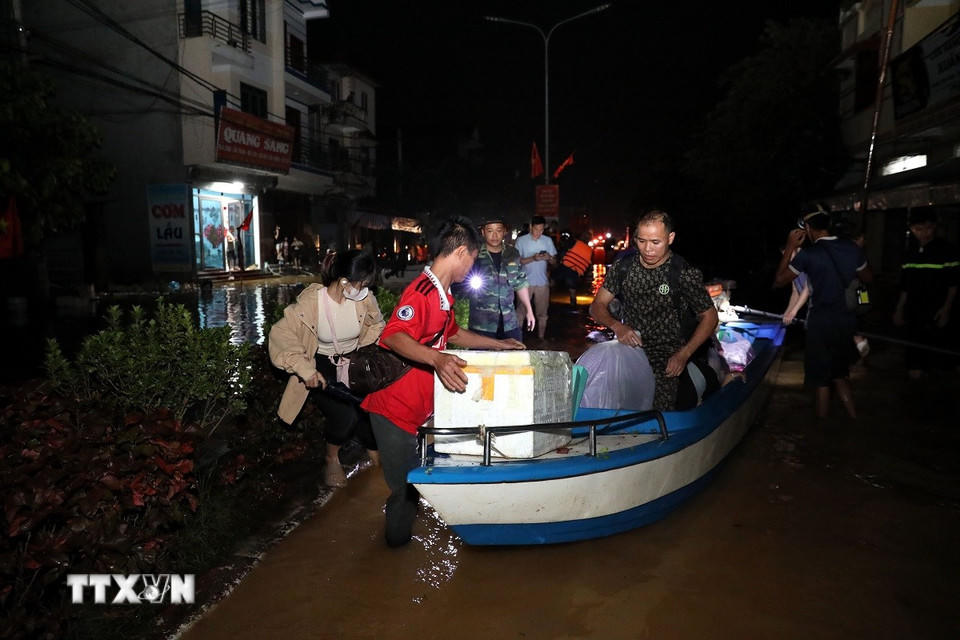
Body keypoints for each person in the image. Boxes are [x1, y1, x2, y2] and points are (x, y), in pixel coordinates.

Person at [361, 217, 525, 547]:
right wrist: (438, 359)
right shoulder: (422, 292)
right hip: (394, 412)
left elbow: (453, 333)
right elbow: (393, 336)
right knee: (405, 492)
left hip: (415, 413)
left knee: (417, 486)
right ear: (461, 252)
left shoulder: (441, 293)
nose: (472, 268)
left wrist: (499, 344)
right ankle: (392, 564)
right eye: (473, 260)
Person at [268, 250, 385, 488]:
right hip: (321, 364)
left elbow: (377, 323)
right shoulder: (312, 302)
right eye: (361, 284)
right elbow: (280, 334)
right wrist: (305, 370)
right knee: (345, 415)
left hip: (354, 361)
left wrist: (364, 347)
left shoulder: (363, 299)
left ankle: (376, 456)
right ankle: (331, 457)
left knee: (371, 411)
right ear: (344, 281)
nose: (365, 289)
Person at [590, 210, 719, 411]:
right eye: (641, 241)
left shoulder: (684, 273)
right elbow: (597, 306)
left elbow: (710, 317)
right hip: (631, 347)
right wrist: (617, 327)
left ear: (670, 238)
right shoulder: (623, 268)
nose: (647, 249)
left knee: (660, 410)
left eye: (655, 242)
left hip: (669, 353)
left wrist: (684, 355)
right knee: (604, 395)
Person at [774, 209, 872, 419]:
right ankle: (855, 419)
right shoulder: (852, 248)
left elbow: (780, 280)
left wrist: (790, 245)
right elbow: (868, 277)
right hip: (846, 321)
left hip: (820, 324)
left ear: (808, 228)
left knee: (820, 378)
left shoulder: (810, 254)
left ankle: (820, 428)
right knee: (839, 374)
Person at [892, 209, 958, 378]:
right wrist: (899, 309)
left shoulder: (947, 250)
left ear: (935, 227)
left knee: (942, 354)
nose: (924, 233)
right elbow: (905, 286)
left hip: (937, 308)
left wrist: (947, 309)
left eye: (928, 228)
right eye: (918, 229)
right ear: (912, 229)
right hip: (914, 309)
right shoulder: (909, 253)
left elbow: (953, 284)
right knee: (915, 350)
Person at [467, 217, 535, 340]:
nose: (494, 235)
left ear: (504, 232)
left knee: (515, 357)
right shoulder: (474, 255)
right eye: (490, 231)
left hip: (509, 323)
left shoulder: (512, 253)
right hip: (482, 325)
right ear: (483, 232)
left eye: (498, 230)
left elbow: (520, 283)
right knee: (482, 359)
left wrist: (529, 310)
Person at [514, 215, 557, 339]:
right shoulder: (521, 241)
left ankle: (541, 338)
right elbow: (517, 261)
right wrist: (533, 258)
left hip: (542, 282)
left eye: (542, 230)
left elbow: (554, 262)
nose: (539, 232)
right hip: (524, 282)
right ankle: (517, 338)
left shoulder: (547, 240)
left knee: (542, 313)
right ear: (531, 227)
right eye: (537, 229)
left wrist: (549, 257)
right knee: (521, 311)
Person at [554, 231, 592, 307]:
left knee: (553, 279)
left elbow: (564, 249)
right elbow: (588, 264)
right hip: (576, 271)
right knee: (572, 288)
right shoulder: (589, 250)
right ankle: (573, 303)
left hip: (566, 266)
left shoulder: (575, 242)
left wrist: (559, 259)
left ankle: (546, 296)